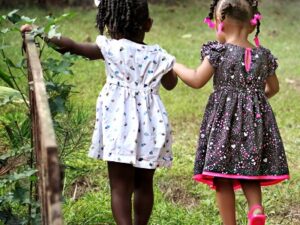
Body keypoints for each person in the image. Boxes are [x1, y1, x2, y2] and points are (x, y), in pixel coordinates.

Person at [21, 0, 178, 224]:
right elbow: (171, 84)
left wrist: (40, 32)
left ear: (109, 25)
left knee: (120, 187)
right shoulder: (158, 54)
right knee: (144, 184)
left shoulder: (112, 48)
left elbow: (71, 46)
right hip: (151, 128)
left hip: (118, 125)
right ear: (148, 24)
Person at [173, 0, 289, 224]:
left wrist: (174, 65)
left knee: (222, 176)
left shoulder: (219, 52)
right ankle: (255, 208)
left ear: (221, 23)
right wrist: (253, 100)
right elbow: (273, 88)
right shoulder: (264, 56)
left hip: (223, 125)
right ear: (252, 25)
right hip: (255, 123)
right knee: (250, 169)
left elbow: (197, 80)